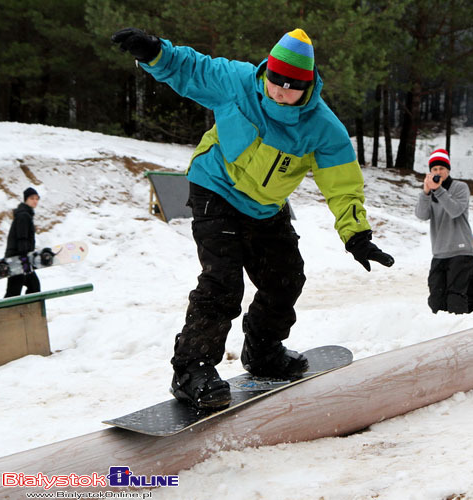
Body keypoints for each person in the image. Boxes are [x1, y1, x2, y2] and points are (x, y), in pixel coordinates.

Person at [112, 27, 395, 409]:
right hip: (215, 187)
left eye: (290, 85)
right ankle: (192, 370)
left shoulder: (324, 129)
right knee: (222, 283)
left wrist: (356, 233)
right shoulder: (240, 83)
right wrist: (155, 53)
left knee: (286, 277)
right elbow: (194, 69)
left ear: (307, 86)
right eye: (274, 79)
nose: (279, 90)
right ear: (266, 72)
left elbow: (342, 183)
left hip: (265, 207)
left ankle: (262, 349)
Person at [415, 149, 473, 314]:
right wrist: (426, 192)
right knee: (436, 298)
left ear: (448, 170)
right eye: (434, 169)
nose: (438, 172)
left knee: (455, 296)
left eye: (441, 168)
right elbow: (421, 215)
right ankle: (440, 330)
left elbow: (455, 210)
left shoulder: (460, 187)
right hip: (440, 252)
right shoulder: (433, 192)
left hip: (461, 250)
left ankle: (458, 334)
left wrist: (439, 190)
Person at [4, 187, 42, 297]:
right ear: (26, 199)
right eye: (32, 198)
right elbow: (22, 238)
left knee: (31, 288)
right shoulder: (23, 215)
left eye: (37, 198)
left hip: (20, 259)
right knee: (16, 292)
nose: (35, 201)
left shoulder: (25, 214)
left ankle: (26, 312)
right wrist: (24, 259)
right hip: (18, 260)